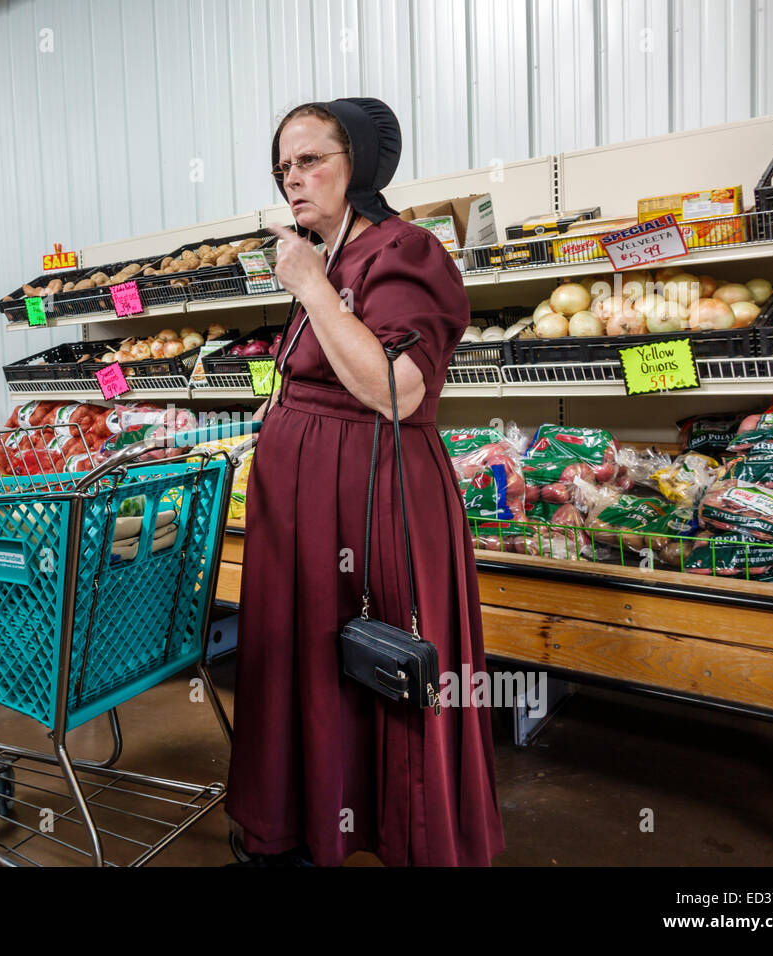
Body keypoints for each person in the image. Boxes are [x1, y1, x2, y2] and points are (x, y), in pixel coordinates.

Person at [225, 97, 506, 867]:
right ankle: (306, 829)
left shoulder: (405, 252)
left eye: (312, 159)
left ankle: (401, 834)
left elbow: (395, 390)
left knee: (375, 666)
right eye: (284, 167)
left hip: (370, 502)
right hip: (305, 506)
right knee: (304, 664)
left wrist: (313, 289)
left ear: (363, 165)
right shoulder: (330, 251)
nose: (294, 179)